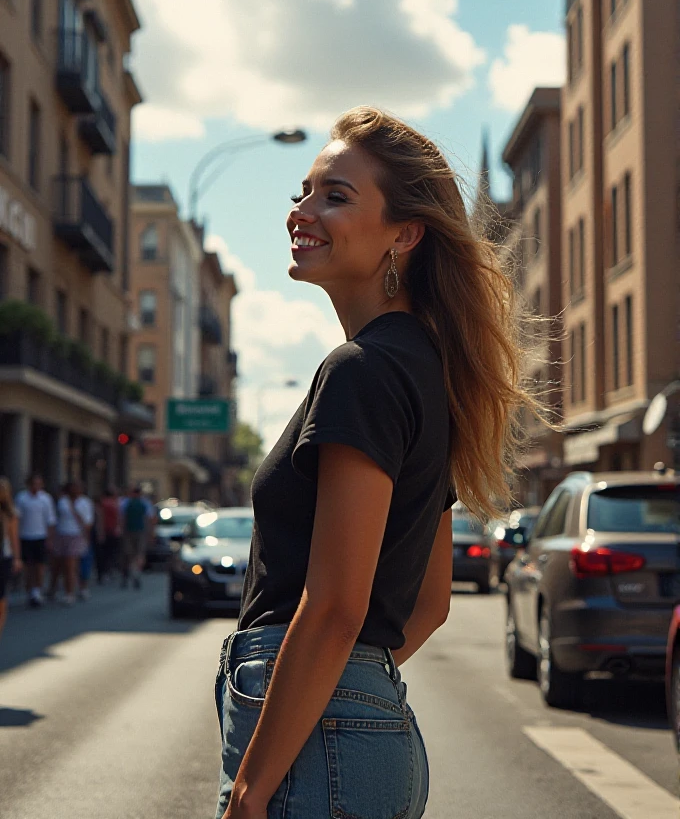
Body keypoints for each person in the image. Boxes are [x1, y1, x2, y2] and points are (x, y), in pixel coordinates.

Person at [214, 107, 543, 819]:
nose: (302, 212)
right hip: (368, 738)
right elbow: (428, 605)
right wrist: (356, 688)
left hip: (319, 751)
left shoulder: (362, 371)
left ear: (405, 233)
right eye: (303, 192)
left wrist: (251, 790)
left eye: (335, 195)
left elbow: (335, 606)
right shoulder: (428, 372)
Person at [49, 481, 94, 605]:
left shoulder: (85, 502)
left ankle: (70, 593)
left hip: (76, 535)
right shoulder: (62, 501)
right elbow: (54, 519)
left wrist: (87, 537)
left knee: (71, 564)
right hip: (61, 534)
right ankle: (54, 588)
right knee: (58, 565)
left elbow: (88, 523)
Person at [15, 473, 56, 607]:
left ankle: (37, 590)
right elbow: (17, 519)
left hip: (40, 536)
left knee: (39, 565)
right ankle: (29, 591)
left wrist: (50, 538)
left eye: (38, 484)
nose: (36, 486)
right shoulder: (21, 498)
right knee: (28, 566)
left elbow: (50, 520)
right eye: (33, 484)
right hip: (25, 536)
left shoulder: (45, 498)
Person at [0, 478, 22, 642]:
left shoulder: (10, 513)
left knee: (1, 595)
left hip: (4, 557)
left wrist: (16, 558)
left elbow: (14, 537)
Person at [120, 486, 152, 589]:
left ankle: (132, 574)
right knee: (135, 555)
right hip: (136, 532)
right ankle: (134, 574)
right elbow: (149, 519)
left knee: (132, 555)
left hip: (133, 532)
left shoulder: (126, 502)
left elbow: (122, 517)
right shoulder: (144, 503)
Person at [96, 487, 122, 583]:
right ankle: (105, 572)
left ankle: (105, 572)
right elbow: (101, 518)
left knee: (106, 553)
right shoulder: (109, 504)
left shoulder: (106, 504)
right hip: (108, 531)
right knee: (108, 553)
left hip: (109, 530)